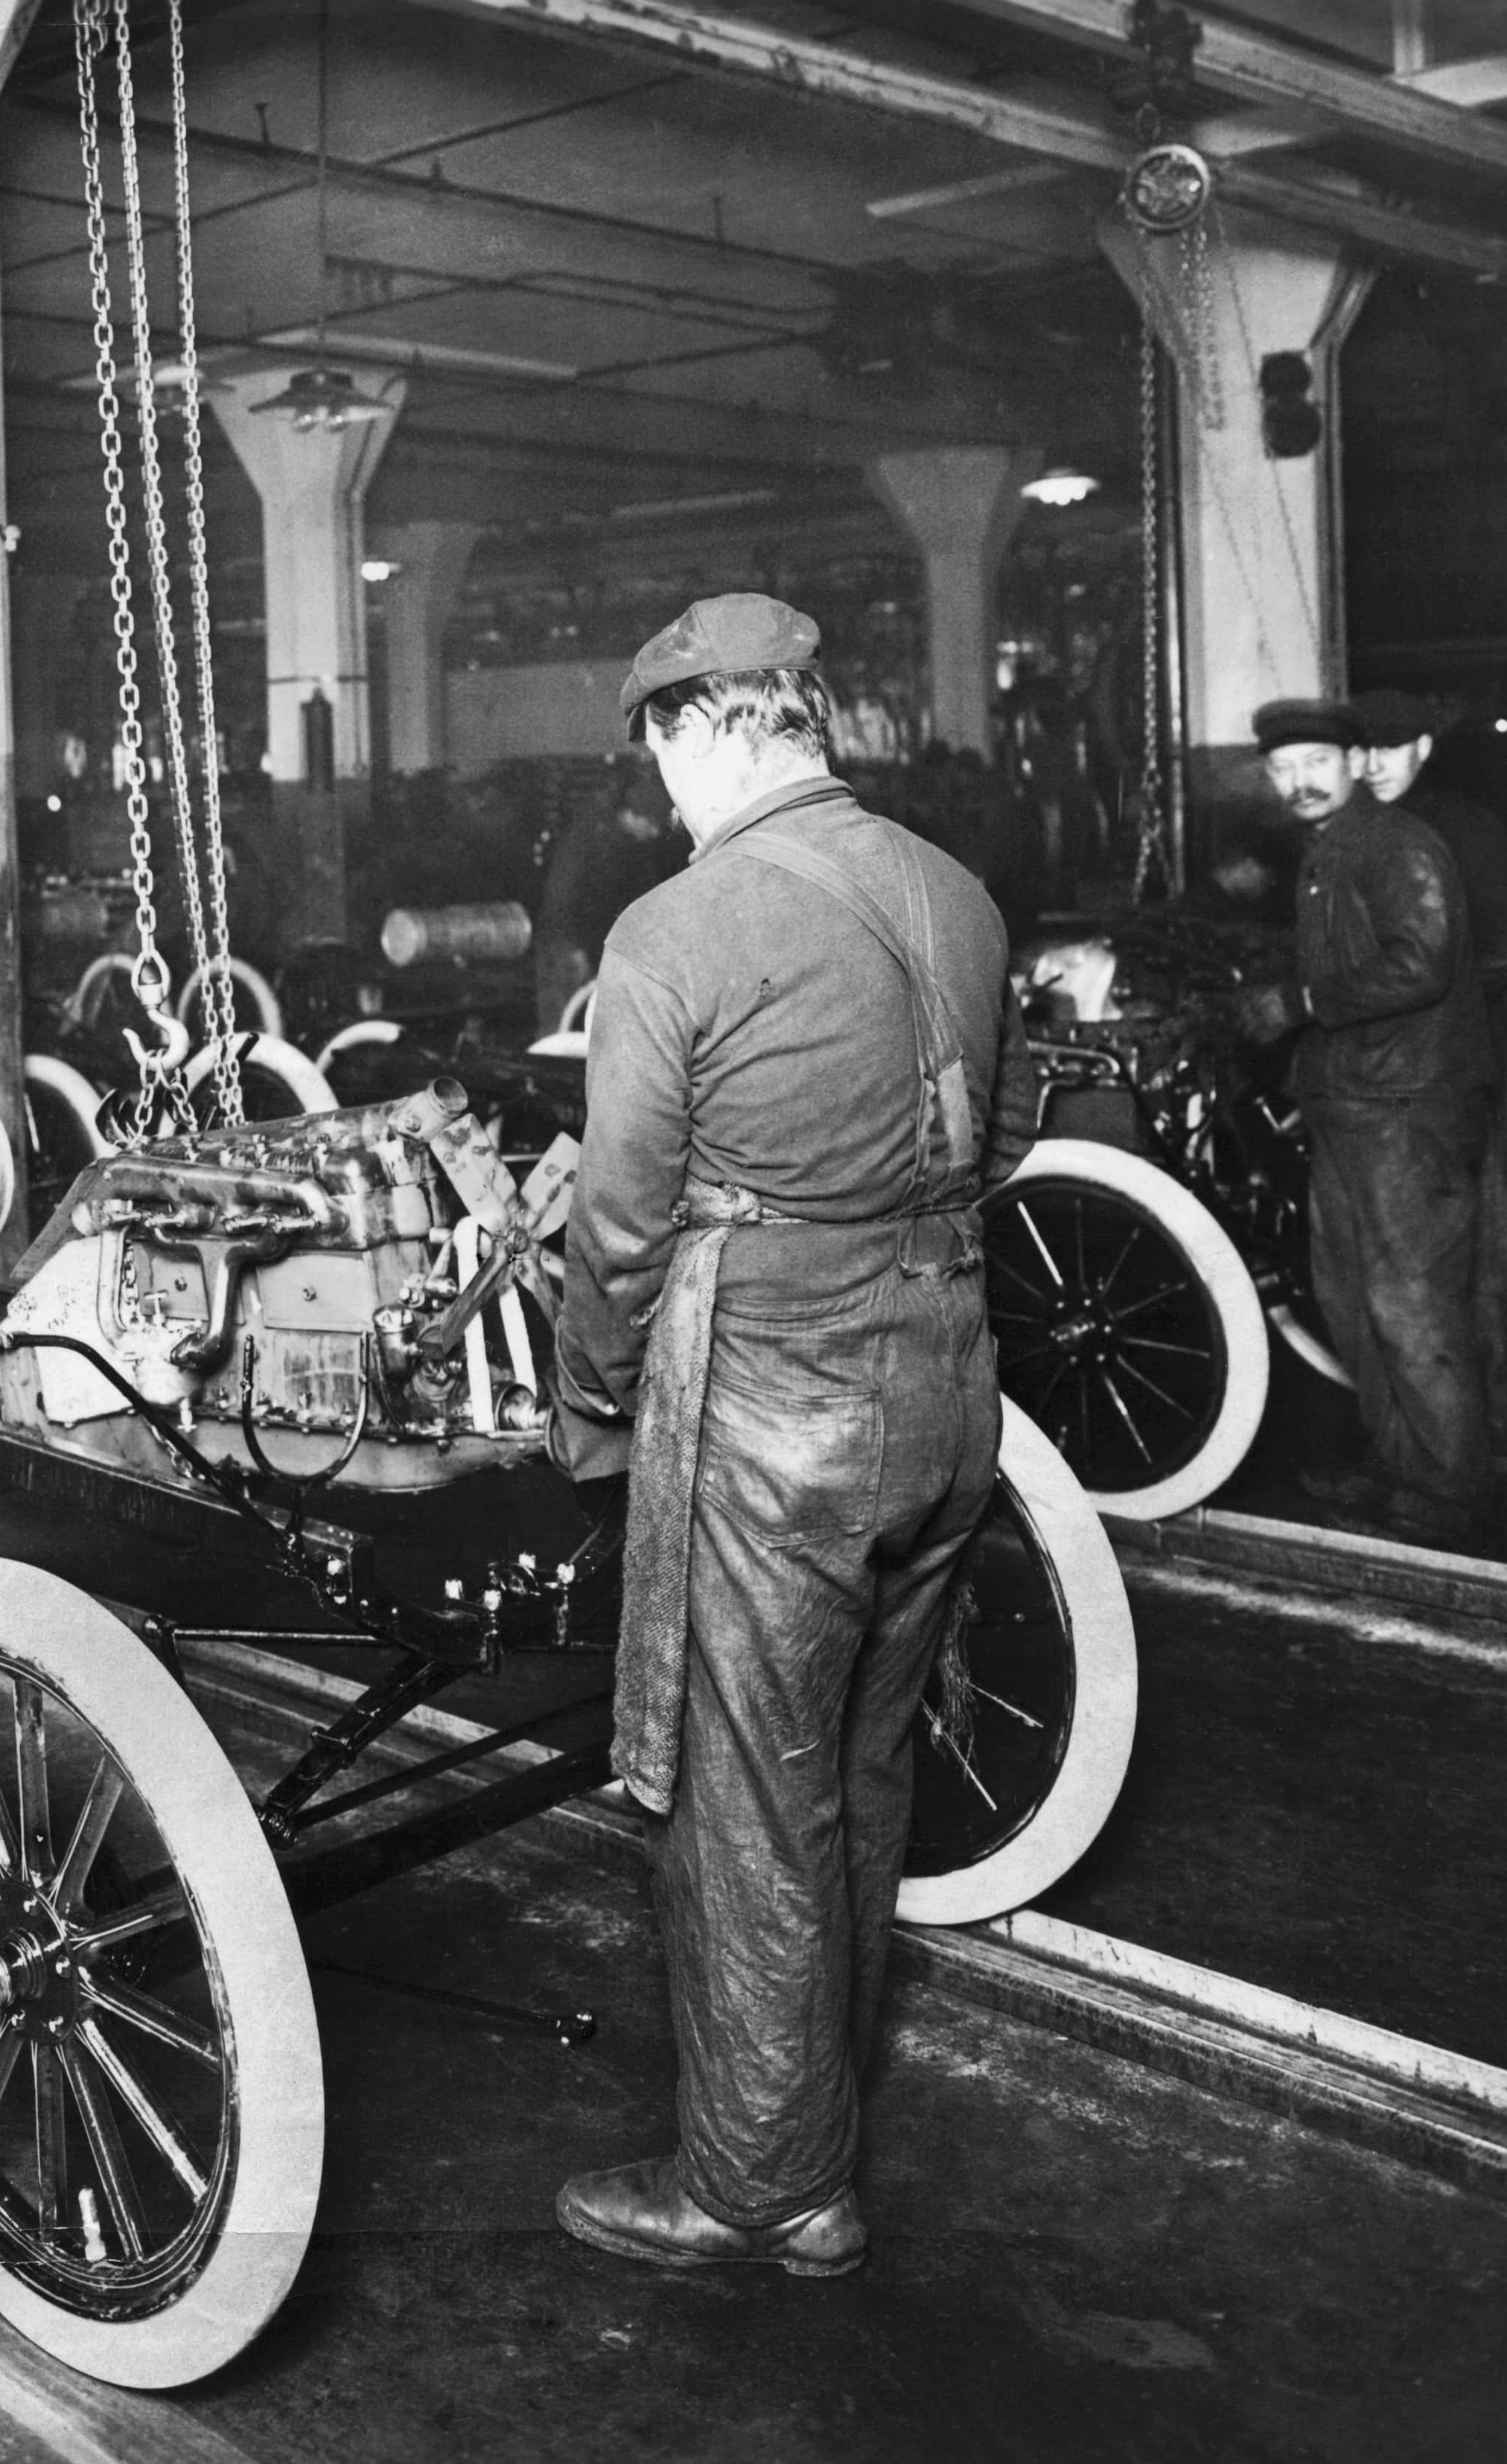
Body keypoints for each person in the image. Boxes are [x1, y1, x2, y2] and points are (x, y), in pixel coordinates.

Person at [547, 593, 1036, 2279]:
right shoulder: (955, 894)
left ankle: (761, 2183)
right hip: (948, 1390)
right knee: (861, 1772)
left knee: (749, 1795)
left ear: (701, 730)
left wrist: (589, 1404)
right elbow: (1007, 1128)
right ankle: (813, 2139)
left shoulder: (675, 931)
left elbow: (616, 1226)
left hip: (776, 1409)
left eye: (660, 761)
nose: (662, 798)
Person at [1234, 698, 1494, 1548]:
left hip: (1404, 1107)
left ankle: (1446, 1494)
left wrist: (1305, 1001)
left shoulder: (1395, 843)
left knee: (1412, 1301)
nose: (1300, 780)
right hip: (1353, 1102)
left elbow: (1423, 960)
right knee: (1353, 1299)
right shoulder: (1331, 850)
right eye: (1283, 767)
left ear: (1354, 763)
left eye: (1317, 761)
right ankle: (1397, 1463)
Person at [1354, 689, 1507, 1472]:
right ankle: (1450, 1452)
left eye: (1390, 748)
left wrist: (1422, 992)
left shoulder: (1464, 828)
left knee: (1492, 1260)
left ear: (1423, 747)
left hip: (1486, 1055)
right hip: (1424, 1059)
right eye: (1361, 752)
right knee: (1427, 1269)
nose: (1373, 764)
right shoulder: (1363, 834)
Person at [534, 770, 686, 1032]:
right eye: (651, 825)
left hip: (598, 952)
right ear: (632, 815)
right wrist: (570, 947)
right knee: (560, 1029)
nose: (653, 833)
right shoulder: (587, 840)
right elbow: (560, 895)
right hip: (566, 952)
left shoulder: (638, 851)